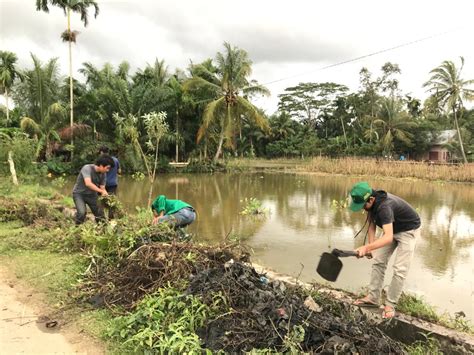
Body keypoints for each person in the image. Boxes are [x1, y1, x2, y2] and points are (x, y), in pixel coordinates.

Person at [349, 181, 421, 319]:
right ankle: (373, 298)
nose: (363, 208)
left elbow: (388, 237)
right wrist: (370, 246)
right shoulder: (371, 203)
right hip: (392, 227)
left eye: (364, 205)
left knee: (400, 269)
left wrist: (366, 247)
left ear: (371, 199)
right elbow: (371, 224)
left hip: (408, 230)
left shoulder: (384, 207)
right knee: (378, 261)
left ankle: (390, 304)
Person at [72, 155, 115, 224]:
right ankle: (76, 229)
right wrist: (101, 191)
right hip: (79, 194)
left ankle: (101, 229)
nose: (108, 170)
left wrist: (107, 197)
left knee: (100, 214)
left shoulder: (103, 174)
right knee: (82, 213)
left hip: (92, 195)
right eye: (107, 168)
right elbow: (88, 183)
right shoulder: (87, 168)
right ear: (101, 165)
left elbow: (102, 188)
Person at [98, 146, 120, 218]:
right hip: (113, 184)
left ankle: (101, 219)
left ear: (101, 152)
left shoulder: (101, 161)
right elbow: (119, 171)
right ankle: (111, 219)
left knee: (101, 202)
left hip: (102, 185)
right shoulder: (115, 160)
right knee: (111, 202)